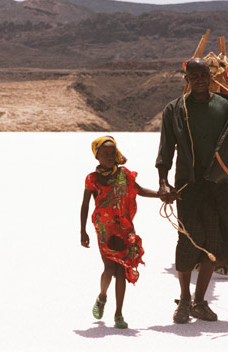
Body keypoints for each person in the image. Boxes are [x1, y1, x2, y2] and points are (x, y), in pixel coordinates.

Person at [156, 58, 228, 324]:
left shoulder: (226, 106)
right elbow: (166, 149)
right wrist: (163, 181)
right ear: (187, 80)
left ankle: (199, 302)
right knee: (187, 242)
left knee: (212, 245)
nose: (199, 79)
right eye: (193, 75)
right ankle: (183, 300)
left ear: (209, 76)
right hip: (187, 186)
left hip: (219, 185)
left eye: (202, 74)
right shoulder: (174, 110)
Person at [80, 135, 160, 329]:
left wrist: (161, 194)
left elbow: (140, 190)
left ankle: (118, 314)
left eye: (112, 153)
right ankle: (102, 296)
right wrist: (82, 231)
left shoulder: (125, 175)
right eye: (105, 153)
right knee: (109, 268)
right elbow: (84, 206)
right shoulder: (92, 179)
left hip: (124, 228)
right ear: (96, 156)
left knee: (123, 270)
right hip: (104, 230)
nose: (110, 156)